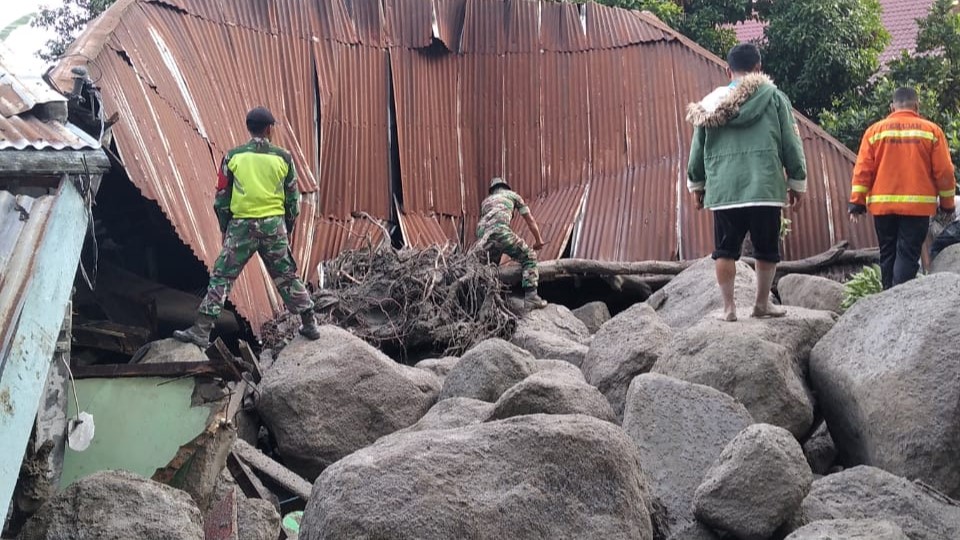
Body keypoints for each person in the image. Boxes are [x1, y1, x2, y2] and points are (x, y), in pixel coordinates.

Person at [174, 107, 321, 346]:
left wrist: (224, 227)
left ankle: (201, 331)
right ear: (270, 129)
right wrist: (288, 226)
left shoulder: (233, 157)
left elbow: (221, 198)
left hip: (241, 227)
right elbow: (293, 200)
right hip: (274, 226)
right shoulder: (283, 158)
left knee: (222, 277)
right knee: (286, 275)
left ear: (248, 128)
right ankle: (310, 323)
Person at [686, 43, 807, 322]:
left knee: (725, 250)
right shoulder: (775, 98)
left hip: (725, 188)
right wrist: (797, 182)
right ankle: (762, 304)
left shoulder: (710, 105)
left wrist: (697, 185)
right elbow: (791, 142)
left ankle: (729, 309)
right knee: (766, 248)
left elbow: (698, 148)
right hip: (764, 187)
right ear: (758, 68)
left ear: (728, 70)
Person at [848, 87, 956, 289]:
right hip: (917, 209)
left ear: (892, 107)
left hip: (883, 208)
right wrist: (948, 205)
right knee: (907, 254)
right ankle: (899, 300)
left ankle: (888, 296)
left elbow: (863, 169)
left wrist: (857, 202)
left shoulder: (874, 132)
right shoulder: (931, 132)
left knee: (887, 254)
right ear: (917, 106)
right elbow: (945, 172)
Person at [477, 177, 548, 309]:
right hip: (500, 232)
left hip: (483, 238)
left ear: (492, 190)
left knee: (489, 269)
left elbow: (486, 224)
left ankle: (485, 303)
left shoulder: (486, 202)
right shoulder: (513, 195)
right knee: (530, 256)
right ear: (506, 187)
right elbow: (530, 220)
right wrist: (538, 241)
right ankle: (531, 297)